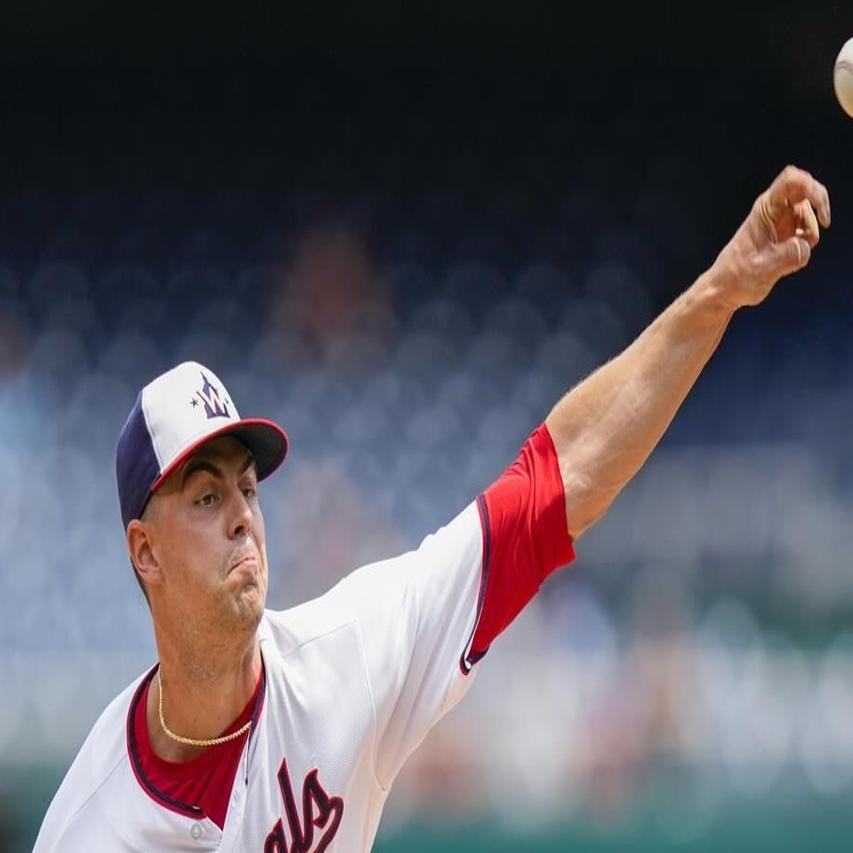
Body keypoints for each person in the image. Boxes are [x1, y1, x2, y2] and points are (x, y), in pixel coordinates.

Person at [33, 165, 830, 852]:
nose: (243, 513)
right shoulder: (92, 825)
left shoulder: (343, 658)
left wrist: (716, 293)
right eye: (207, 496)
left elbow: (553, 484)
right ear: (144, 551)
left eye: (246, 486)